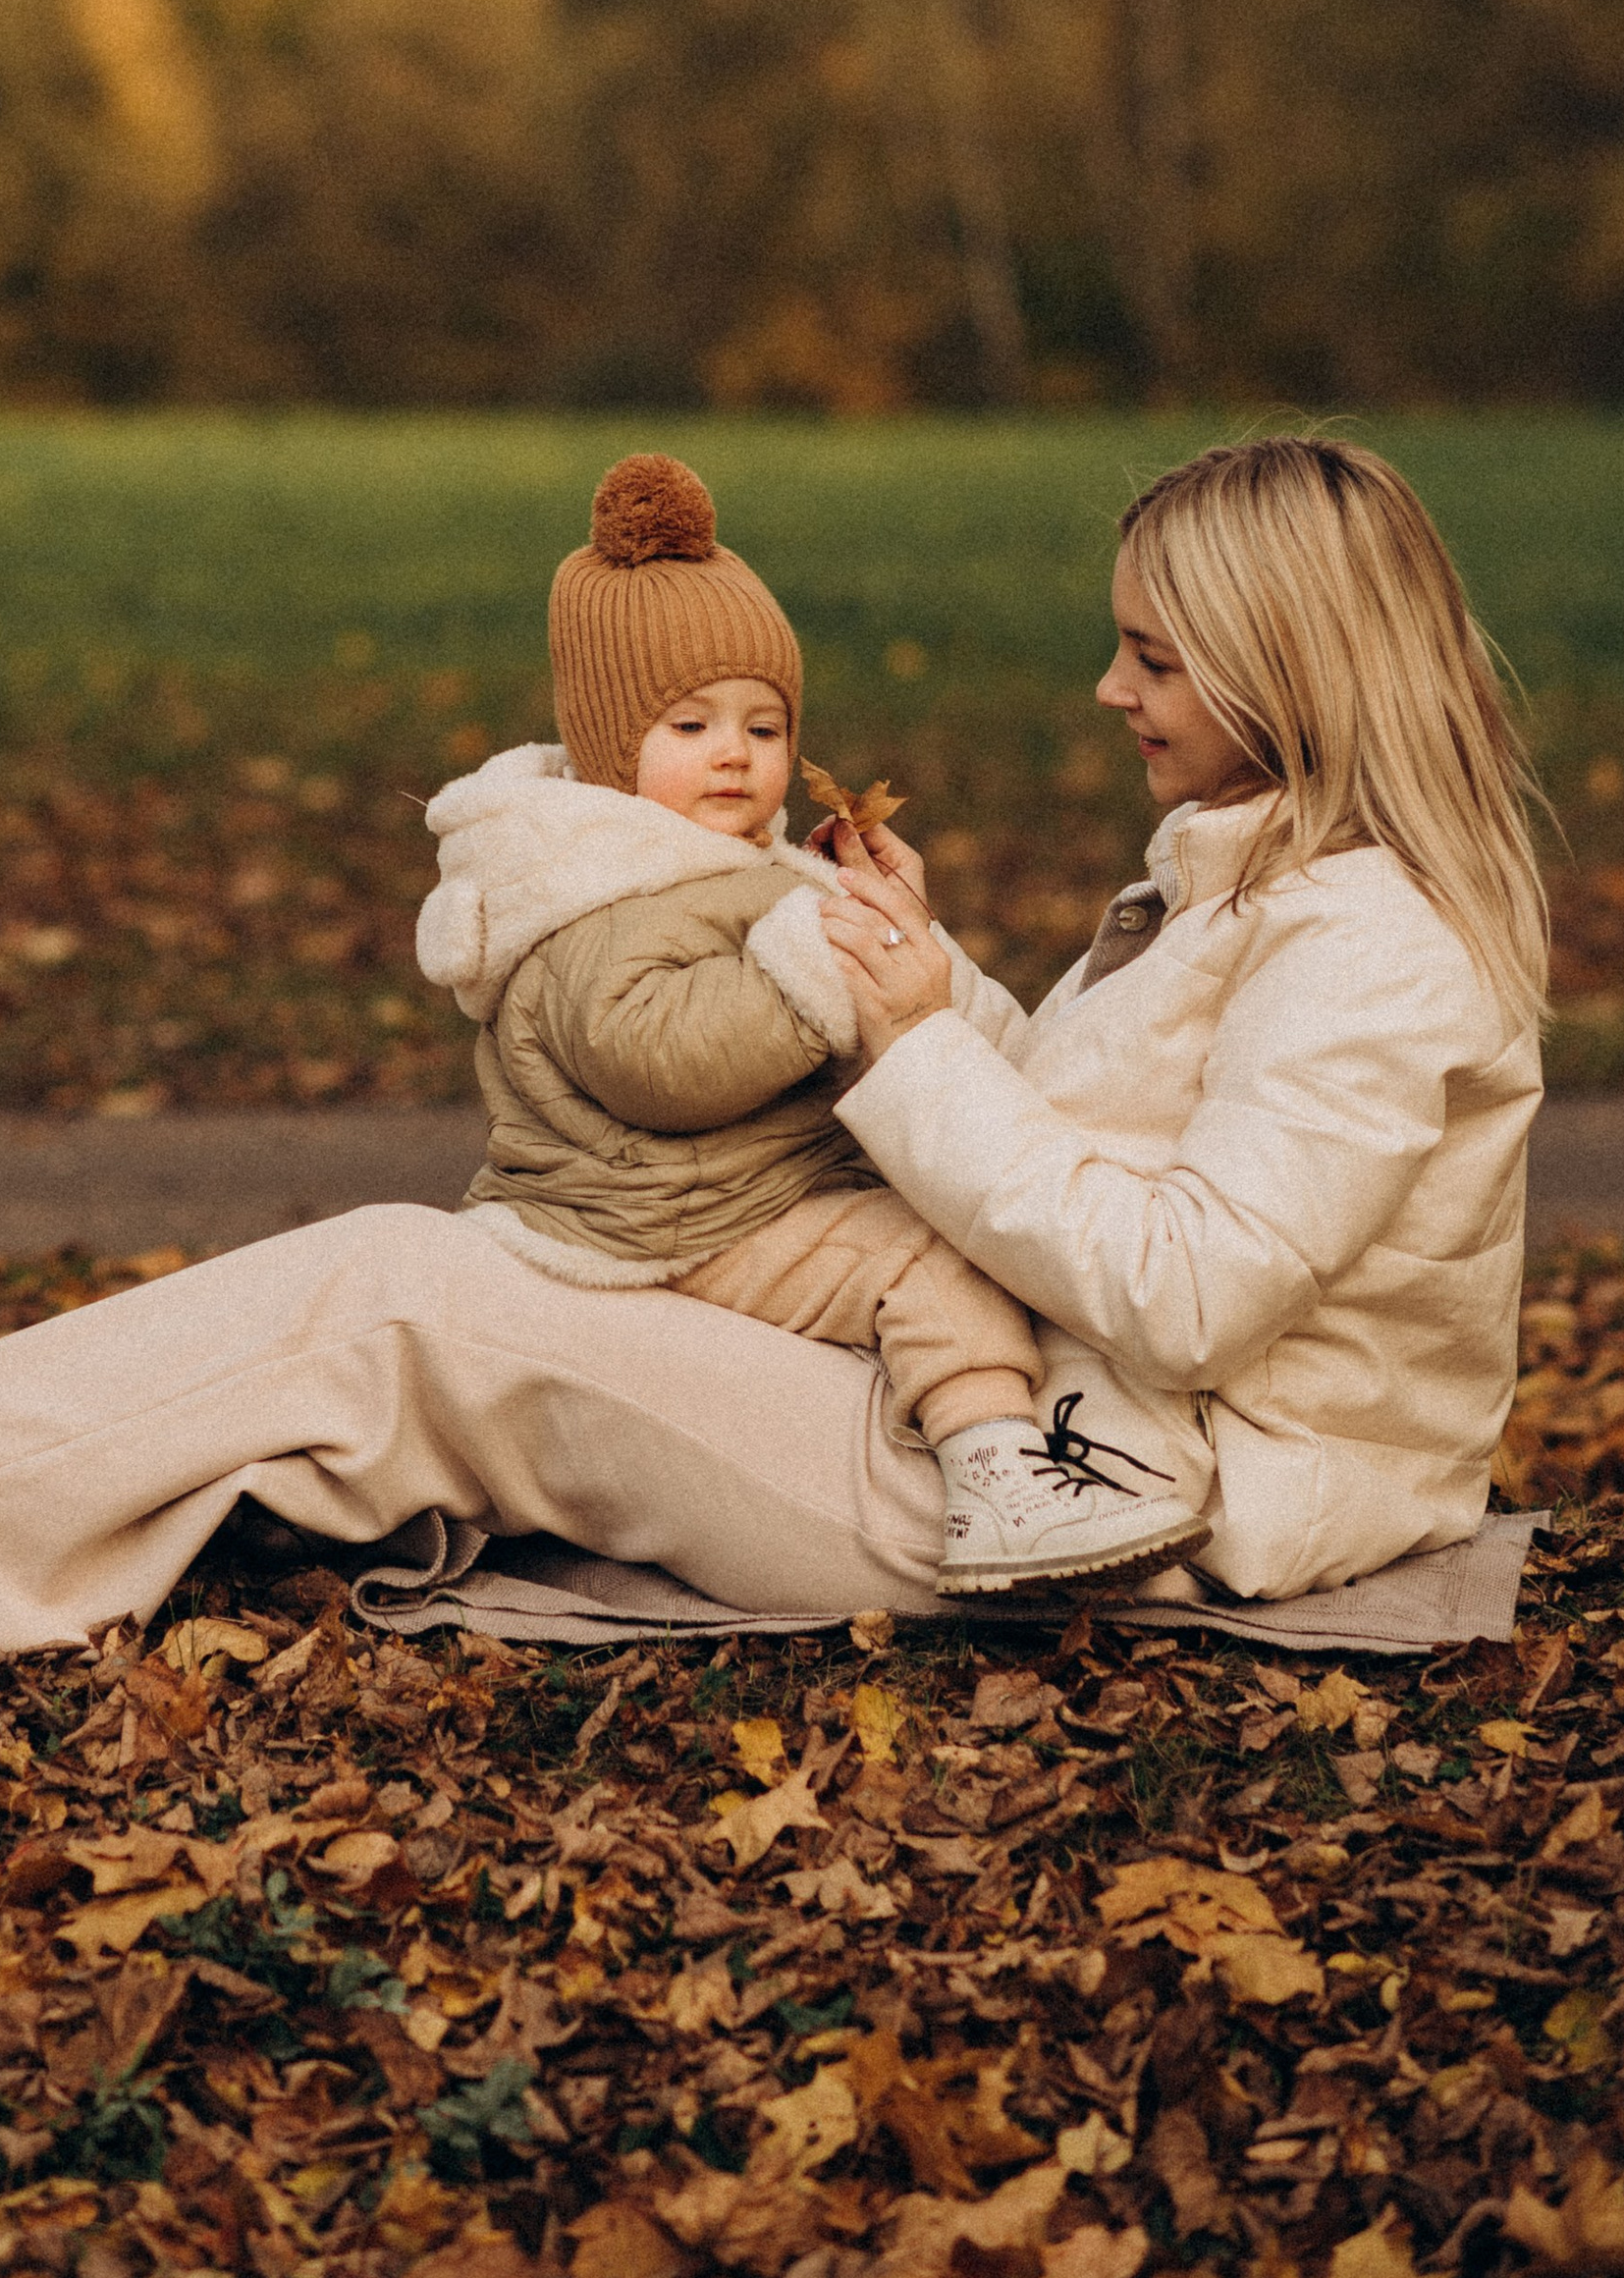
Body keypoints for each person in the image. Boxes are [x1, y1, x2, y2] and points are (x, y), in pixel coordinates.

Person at [0, 433, 1545, 1659]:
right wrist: (936, 989)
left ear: (1285, 667)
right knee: (440, 1283)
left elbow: (1184, 1292)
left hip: (1122, 1492)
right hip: (1024, 1408)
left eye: (1153, 652)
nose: (1104, 687)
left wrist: (912, 1042)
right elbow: (1079, 1144)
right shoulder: (1252, 879)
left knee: (406, 1296)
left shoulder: (1367, 945)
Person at [418, 451, 1196, 1588]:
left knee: (943, 1222)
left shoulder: (725, 867)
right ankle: (998, 1476)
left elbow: (907, 1020)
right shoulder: (592, 891)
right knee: (924, 1262)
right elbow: (658, 1059)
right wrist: (811, 963)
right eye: (688, 724)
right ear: (604, 743)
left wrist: (885, 928)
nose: (733, 751)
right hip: (661, 1224)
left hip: (739, 1191)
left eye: (763, 725)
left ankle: (990, 1437)